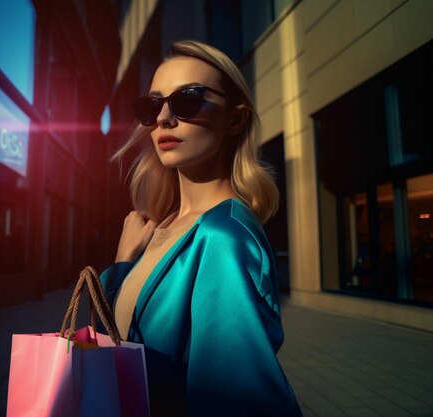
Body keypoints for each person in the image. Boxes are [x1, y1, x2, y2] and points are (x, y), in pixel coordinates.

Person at [98, 40, 303, 417]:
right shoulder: (162, 226)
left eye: (187, 100)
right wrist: (123, 264)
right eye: (152, 104)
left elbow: (234, 401)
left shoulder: (224, 238)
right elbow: (114, 346)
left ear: (236, 119)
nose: (163, 118)